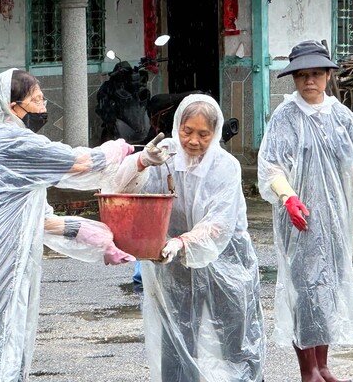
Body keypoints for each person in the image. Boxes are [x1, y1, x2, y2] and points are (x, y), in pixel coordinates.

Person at [0, 68, 167, 381]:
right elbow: (78, 165)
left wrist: (95, 239)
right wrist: (116, 150)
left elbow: (42, 222)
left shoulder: (20, 164)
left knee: (3, 337)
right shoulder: (8, 142)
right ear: (13, 107)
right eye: (37, 100)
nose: (44, 107)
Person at [103, 93, 266, 381]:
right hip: (173, 262)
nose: (193, 141)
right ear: (177, 125)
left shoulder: (226, 166)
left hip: (225, 262)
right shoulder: (165, 155)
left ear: (215, 134)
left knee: (234, 337)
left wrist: (183, 242)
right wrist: (141, 161)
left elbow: (220, 223)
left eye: (203, 134)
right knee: (177, 336)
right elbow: (117, 189)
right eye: (187, 131)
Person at [257, 40, 353, 382]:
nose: (309, 81)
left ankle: (323, 364)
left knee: (326, 288)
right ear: (294, 78)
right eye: (302, 75)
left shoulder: (341, 116)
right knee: (304, 290)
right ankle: (307, 370)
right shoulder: (285, 116)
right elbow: (271, 167)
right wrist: (288, 197)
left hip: (334, 219)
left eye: (315, 74)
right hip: (298, 219)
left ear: (328, 75)